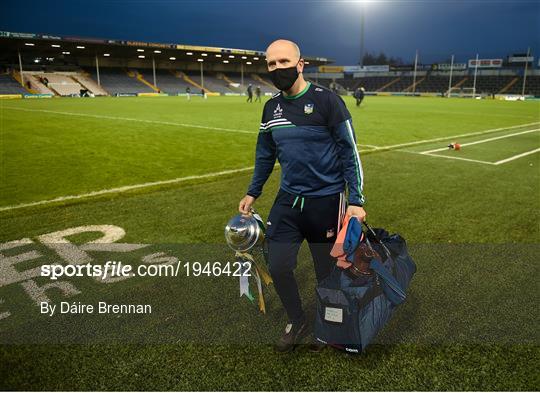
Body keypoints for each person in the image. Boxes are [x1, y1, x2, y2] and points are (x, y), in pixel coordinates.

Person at [238, 39, 366, 353]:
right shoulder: (270, 108)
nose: (277, 69)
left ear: (300, 64)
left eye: (284, 62)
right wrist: (253, 191)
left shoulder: (328, 101)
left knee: (326, 271)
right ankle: (297, 319)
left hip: (326, 201)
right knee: (279, 265)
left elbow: (349, 153)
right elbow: (265, 155)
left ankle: (327, 322)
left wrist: (356, 200)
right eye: (271, 64)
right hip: (288, 200)